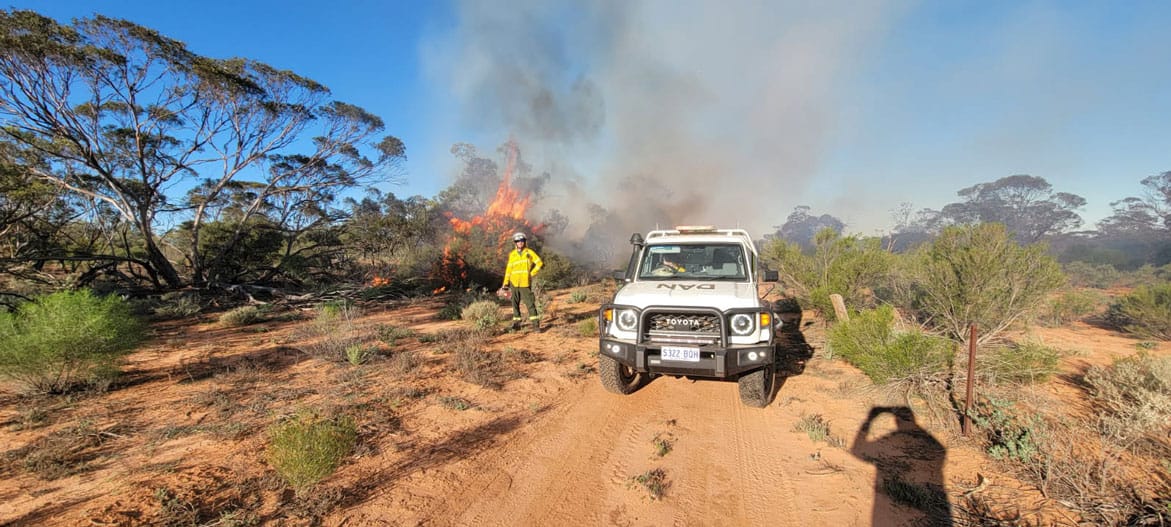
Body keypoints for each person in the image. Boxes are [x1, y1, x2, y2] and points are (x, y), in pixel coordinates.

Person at [499, 232, 544, 330]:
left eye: (521, 240)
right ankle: (516, 325)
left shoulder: (529, 252)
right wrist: (505, 284)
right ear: (515, 243)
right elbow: (508, 270)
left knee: (530, 303)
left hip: (525, 283)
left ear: (524, 241)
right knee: (514, 304)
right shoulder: (512, 255)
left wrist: (531, 273)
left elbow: (539, 263)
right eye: (517, 241)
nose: (520, 242)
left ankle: (536, 325)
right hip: (513, 283)